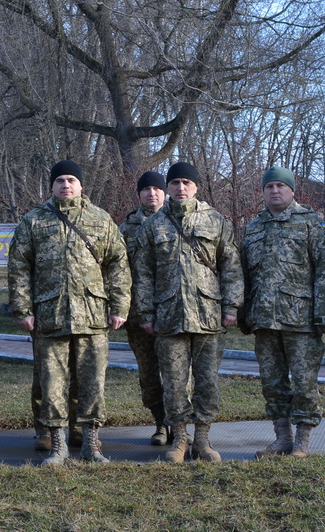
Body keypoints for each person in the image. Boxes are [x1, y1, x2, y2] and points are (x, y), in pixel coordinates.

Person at [8, 160, 131, 464]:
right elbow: (19, 268)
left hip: (92, 316)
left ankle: (91, 443)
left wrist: (119, 307)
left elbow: (118, 265)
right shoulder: (34, 221)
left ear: (81, 185)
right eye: (60, 180)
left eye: (71, 180)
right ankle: (57, 446)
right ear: (52, 185)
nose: (66, 185)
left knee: (93, 382)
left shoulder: (100, 220)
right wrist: (23, 308)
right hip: (50, 315)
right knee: (52, 383)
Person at [133, 162, 242, 463]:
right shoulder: (153, 225)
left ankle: (203, 439)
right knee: (174, 383)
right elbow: (143, 273)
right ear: (168, 188)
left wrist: (231, 306)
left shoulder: (216, 221)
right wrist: (145, 313)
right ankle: (179, 439)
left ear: (196, 187)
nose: (180, 188)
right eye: (175, 183)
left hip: (208, 315)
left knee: (207, 381)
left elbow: (231, 267)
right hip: (169, 316)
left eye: (186, 182)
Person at [241, 167, 325, 458]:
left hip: (302, 320)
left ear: (292, 190)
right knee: (272, 383)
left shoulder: (311, 224)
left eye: (281, 186)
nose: (275, 191)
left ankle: (302, 441)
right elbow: (245, 273)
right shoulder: (254, 227)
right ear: (263, 192)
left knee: (304, 383)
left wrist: (324, 315)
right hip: (264, 320)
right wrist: (245, 313)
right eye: (269, 186)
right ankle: (282, 437)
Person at [119, 171, 170, 446]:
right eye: (146, 189)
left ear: (165, 193)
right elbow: (116, 269)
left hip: (173, 310)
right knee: (149, 375)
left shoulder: (176, 221)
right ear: (139, 194)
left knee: (177, 374)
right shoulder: (126, 227)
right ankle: (160, 424)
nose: (152, 194)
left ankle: (179, 426)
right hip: (139, 314)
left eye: (157, 189)